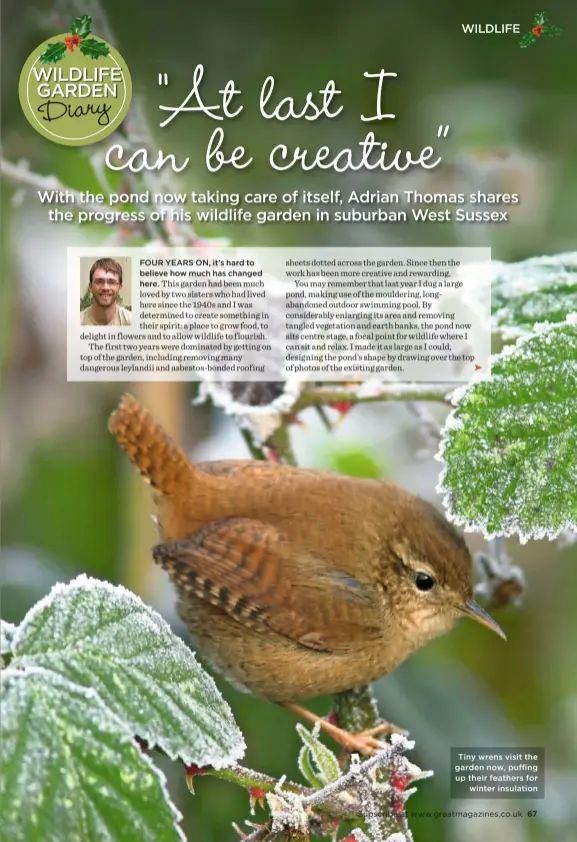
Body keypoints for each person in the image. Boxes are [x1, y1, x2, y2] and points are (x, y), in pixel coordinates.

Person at [80, 258, 132, 326]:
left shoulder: (130, 321)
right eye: (99, 281)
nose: (105, 287)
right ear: (90, 287)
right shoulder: (77, 323)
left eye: (112, 282)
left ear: (120, 287)